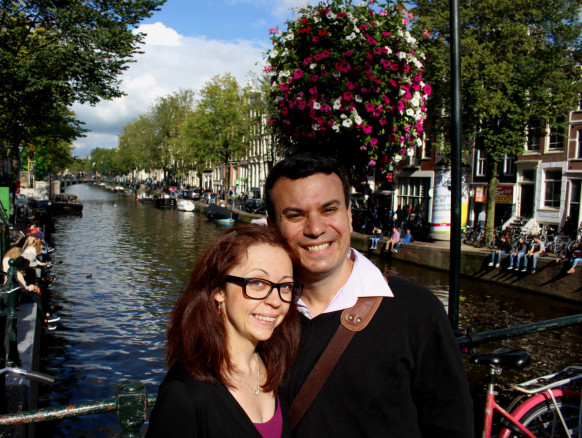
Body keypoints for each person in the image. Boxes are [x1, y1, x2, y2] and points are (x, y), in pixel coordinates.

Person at [264, 153, 473, 437]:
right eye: (295, 215)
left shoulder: (417, 311)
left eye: (329, 210)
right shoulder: (261, 313)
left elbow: (451, 426)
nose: (315, 229)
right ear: (273, 227)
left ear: (349, 216)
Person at [146, 225, 302, 437]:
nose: (275, 301)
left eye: (285, 286)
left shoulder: (278, 369)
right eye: (257, 283)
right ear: (219, 291)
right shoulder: (185, 394)